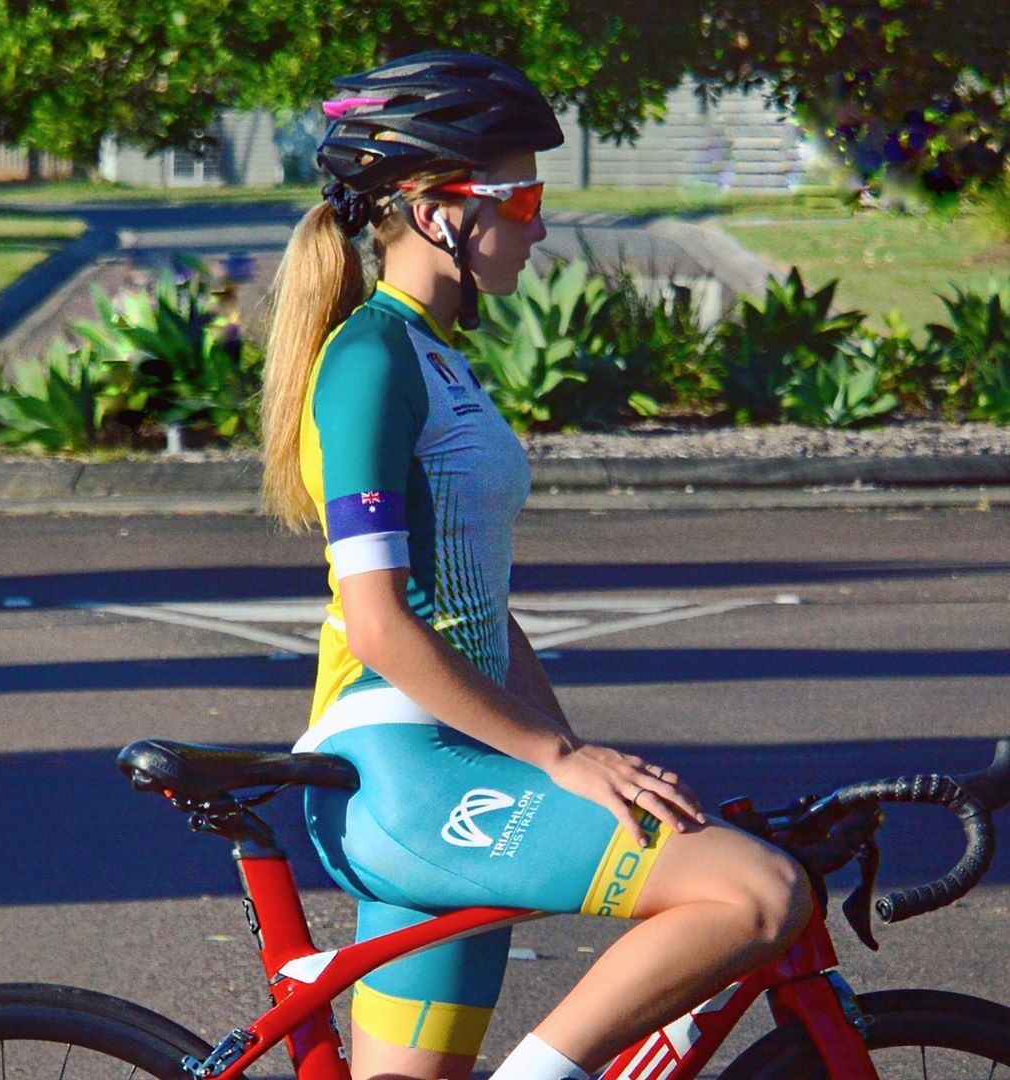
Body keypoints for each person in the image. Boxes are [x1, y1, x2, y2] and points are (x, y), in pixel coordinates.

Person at [261, 49, 812, 1080]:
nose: (540, 226)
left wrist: (572, 751)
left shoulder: (435, 357)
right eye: (522, 199)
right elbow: (380, 623)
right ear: (437, 211)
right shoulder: (371, 360)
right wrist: (557, 760)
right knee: (758, 894)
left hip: (455, 762)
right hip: (405, 773)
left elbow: (478, 604)